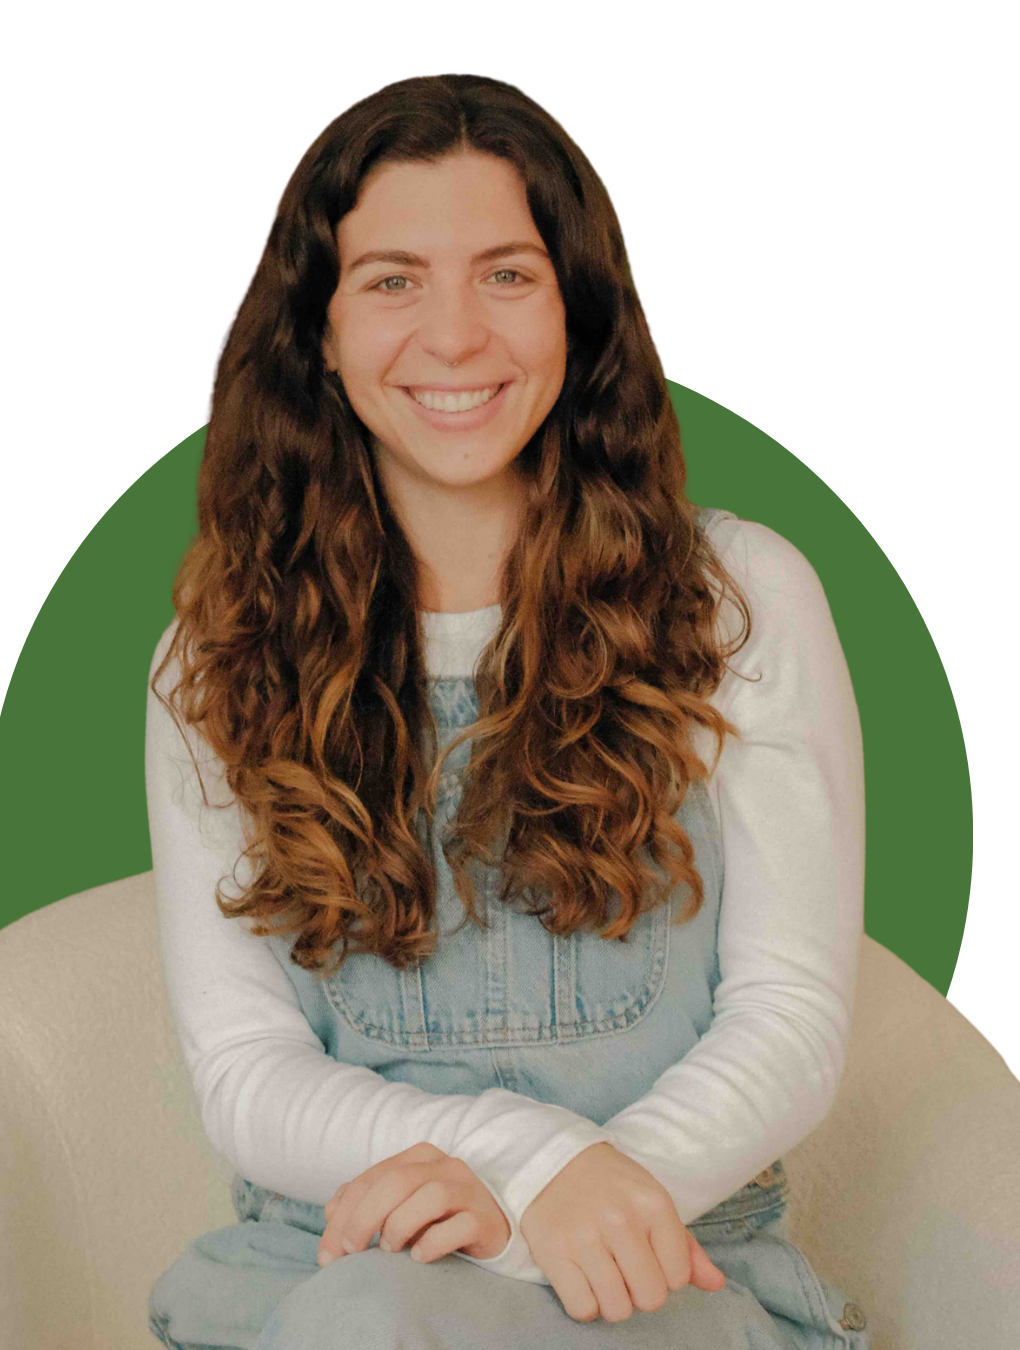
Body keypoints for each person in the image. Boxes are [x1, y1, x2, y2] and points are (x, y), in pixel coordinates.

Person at [145, 73, 872, 1349]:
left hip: (662, 1254)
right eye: (391, 280)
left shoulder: (741, 600)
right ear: (317, 331)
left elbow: (793, 1018)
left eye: (507, 275)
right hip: (333, 1266)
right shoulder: (215, 659)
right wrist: (527, 1163)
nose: (455, 337)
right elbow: (245, 1076)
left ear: (580, 313)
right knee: (374, 1318)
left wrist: (587, 1201)